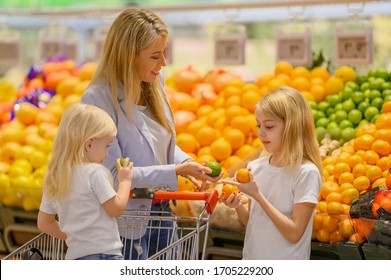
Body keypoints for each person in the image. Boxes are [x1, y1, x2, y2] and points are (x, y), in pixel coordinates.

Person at [81, 7, 221, 260]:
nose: (164, 63)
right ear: (128, 56)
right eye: (155, 56)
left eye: (165, 53)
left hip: (162, 212)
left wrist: (186, 163)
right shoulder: (98, 99)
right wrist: (175, 171)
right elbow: (112, 174)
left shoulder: (155, 82)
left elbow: (160, 144)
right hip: (125, 221)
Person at [222, 86, 322, 260]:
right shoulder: (255, 168)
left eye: (269, 126)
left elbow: (294, 234)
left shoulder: (306, 173)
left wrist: (258, 196)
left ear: (293, 126)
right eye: (259, 125)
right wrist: (237, 205)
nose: (261, 133)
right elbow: (251, 221)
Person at [37, 103, 134, 260]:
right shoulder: (94, 172)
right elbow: (116, 209)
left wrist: (78, 239)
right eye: (107, 145)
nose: (107, 152)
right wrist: (125, 181)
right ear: (89, 144)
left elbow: (44, 223)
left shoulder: (54, 177)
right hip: (104, 258)